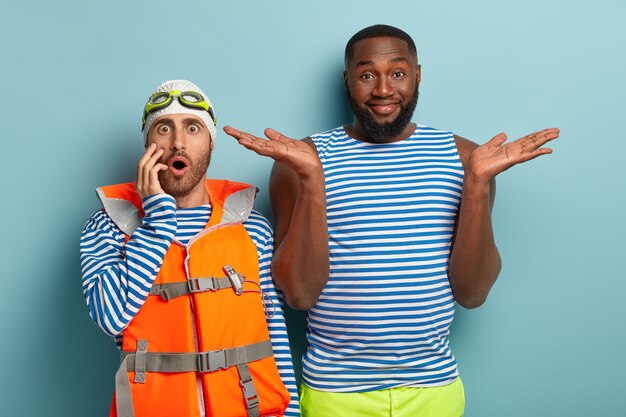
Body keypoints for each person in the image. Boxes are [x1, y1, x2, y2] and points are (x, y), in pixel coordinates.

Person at [224, 25, 559, 417]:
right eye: (367, 75)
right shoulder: (301, 161)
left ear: (418, 75)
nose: (383, 90)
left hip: (434, 389)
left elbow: (473, 292)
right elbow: (298, 295)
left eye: (398, 73)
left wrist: (478, 184)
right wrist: (313, 181)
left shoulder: (468, 159)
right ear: (347, 80)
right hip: (336, 393)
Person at [80, 79, 299, 417]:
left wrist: (292, 412)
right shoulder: (108, 225)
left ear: (210, 142)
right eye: (164, 128)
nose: (178, 143)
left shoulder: (250, 226)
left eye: (193, 127)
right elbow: (111, 318)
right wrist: (157, 220)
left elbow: (274, 336)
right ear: (148, 144)